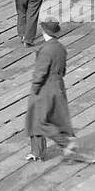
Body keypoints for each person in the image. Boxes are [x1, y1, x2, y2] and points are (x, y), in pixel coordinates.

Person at [24, 18, 77, 162]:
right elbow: (63, 70)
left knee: (37, 120)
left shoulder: (46, 50)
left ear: (43, 32)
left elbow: (40, 72)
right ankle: (39, 151)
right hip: (58, 86)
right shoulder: (60, 48)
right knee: (52, 118)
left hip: (45, 87)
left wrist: (35, 88)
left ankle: (61, 144)